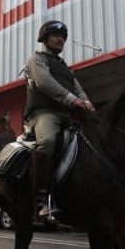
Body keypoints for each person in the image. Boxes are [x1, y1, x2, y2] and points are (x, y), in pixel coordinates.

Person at [23, 20, 96, 217]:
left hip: (67, 116)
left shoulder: (66, 68)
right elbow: (44, 82)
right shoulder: (37, 59)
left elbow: (78, 89)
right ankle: (40, 198)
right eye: (56, 36)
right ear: (45, 38)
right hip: (44, 114)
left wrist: (87, 103)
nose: (60, 39)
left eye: (63, 37)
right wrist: (74, 101)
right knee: (47, 141)